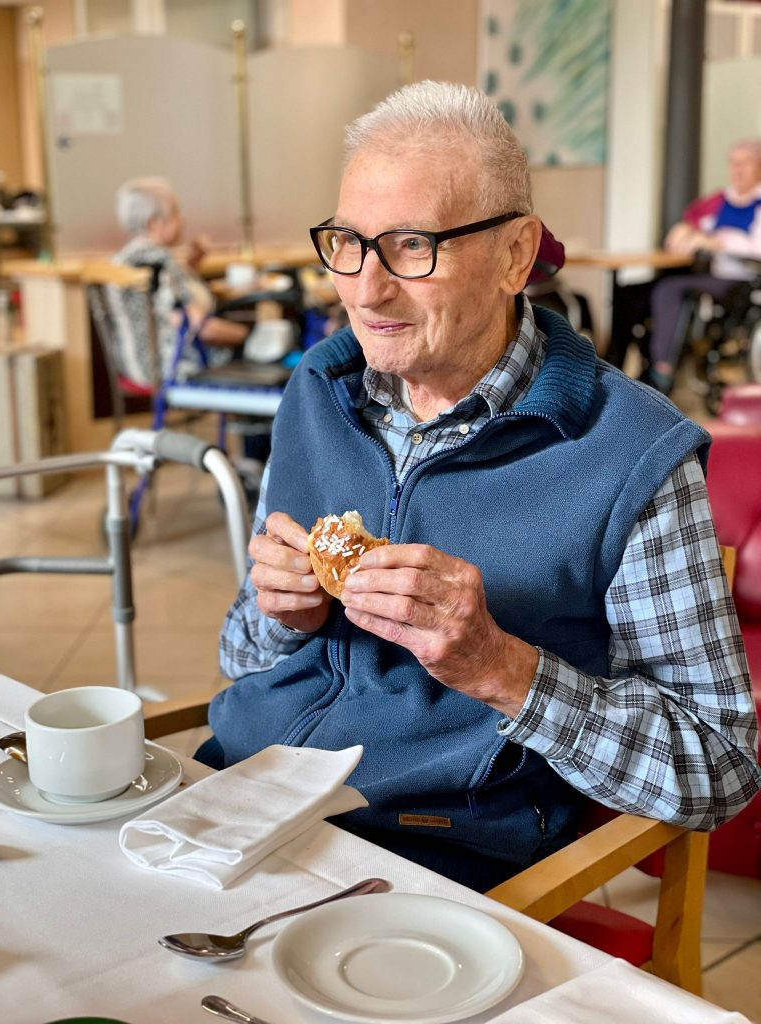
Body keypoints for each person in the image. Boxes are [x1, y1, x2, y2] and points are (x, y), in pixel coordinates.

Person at [207, 82, 760, 892]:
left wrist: (505, 670)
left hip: (430, 852)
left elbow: (719, 768)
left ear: (514, 255)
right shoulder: (318, 391)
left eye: (410, 247)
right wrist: (277, 612)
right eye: (346, 244)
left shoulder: (631, 451)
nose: (364, 290)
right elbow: (237, 655)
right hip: (238, 794)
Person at [644, 138, 761, 393]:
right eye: (733, 163)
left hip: (744, 278)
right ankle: (649, 364)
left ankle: (662, 368)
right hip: (715, 274)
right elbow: (691, 222)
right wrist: (685, 230)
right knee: (644, 289)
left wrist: (714, 240)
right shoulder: (720, 199)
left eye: (746, 163)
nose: (737, 169)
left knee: (670, 289)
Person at [113, 176, 249, 386]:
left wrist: (191, 265)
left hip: (132, 366)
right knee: (265, 352)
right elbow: (199, 327)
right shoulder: (159, 261)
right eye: (175, 212)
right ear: (153, 223)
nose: (182, 220)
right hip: (170, 366)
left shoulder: (123, 260)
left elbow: (162, 303)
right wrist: (248, 335)